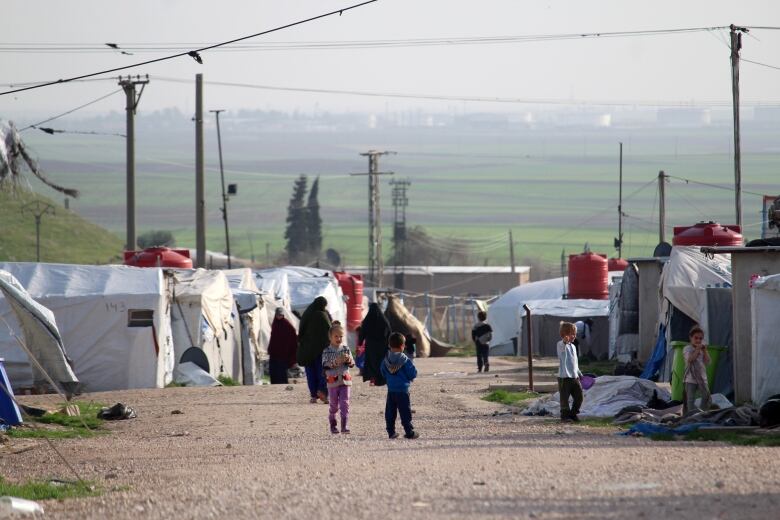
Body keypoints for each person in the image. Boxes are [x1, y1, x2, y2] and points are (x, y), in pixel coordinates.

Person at [380, 332, 419, 439]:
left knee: (390, 412)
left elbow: (382, 371)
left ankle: (391, 432)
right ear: (403, 346)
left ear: (389, 345)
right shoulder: (405, 359)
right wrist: (411, 377)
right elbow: (412, 373)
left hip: (391, 390)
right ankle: (409, 431)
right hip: (403, 390)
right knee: (405, 411)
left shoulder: (386, 359)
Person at [297, 296, 332, 404]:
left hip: (308, 349)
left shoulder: (307, 313)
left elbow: (301, 330)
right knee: (323, 371)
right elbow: (330, 330)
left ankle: (313, 396)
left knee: (310, 372)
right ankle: (322, 392)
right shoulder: (323, 315)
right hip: (322, 350)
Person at [322, 321, 355, 434]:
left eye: (341, 336)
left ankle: (344, 426)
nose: (339, 338)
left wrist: (348, 360)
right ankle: (333, 425)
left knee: (345, 403)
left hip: (345, 381)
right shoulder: (326, 351)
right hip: (333, 383)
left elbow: (352, 364)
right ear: (330, 337)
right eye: (336, 336)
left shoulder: (346, 349)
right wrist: (336, 362)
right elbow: (325, 365)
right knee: (334, 406)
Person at [359, 302, 391, 386]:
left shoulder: (367, 320)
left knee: (372, 362)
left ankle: (373, 378)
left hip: (371, 346)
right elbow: (389, 331)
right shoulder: (383, 320)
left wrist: (360, 342)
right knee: (382, 361)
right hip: (382, 346)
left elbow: (362, 332)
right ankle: (382, 379)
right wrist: (390, 343)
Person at [557, 321, 583, 422]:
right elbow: (561, 353)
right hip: (564, 377)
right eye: (572, 334)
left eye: (575, 334)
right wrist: (564, 342)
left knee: (579, 396)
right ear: (564, 334)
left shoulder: (573, 346)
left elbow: (575, 362)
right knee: (564, 398)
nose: (574, 336)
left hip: (574, 376)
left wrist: (579, 373)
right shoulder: (560, 344)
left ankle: (573, 413)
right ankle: (565, 416)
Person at [683, 325, 712, 413]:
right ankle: (691, 415)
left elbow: (708, 362)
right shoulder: (687, 348)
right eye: (696, 338)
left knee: (706, 396)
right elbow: (690, 359)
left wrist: (704, 351)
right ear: (691, 338)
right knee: (690, 400)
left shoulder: (702, 350)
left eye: (700, 338)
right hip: (690, 379)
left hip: (702, 379)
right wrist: (697, 350)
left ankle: (702, 413)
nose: (698, 340)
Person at [267, 307, 298, 385]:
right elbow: (273, 337)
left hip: (283, 352)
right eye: (278, 314)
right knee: (274, 369)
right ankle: (274, 383)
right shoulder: (275, 323)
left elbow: (293, 334)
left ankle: (282, 383)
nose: (279, 316)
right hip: (274, 351)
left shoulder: (286, 323)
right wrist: (270, 348)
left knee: (281, 370)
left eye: (280, 315)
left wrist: (289, 347)